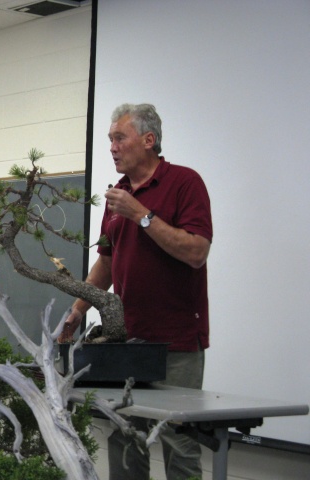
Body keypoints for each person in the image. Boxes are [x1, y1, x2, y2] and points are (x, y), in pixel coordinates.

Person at [61, 103, 213, 480]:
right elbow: (107, 264)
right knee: (126, 434)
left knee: (179, 440)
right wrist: (78, 309)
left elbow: (196, 252)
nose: (112, 147)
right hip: (126, 340)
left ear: (149, 140)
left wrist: (142, 215)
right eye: (110, 139)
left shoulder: (184, 182)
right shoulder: (119, 195)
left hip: (175, 342)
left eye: (119, 137)